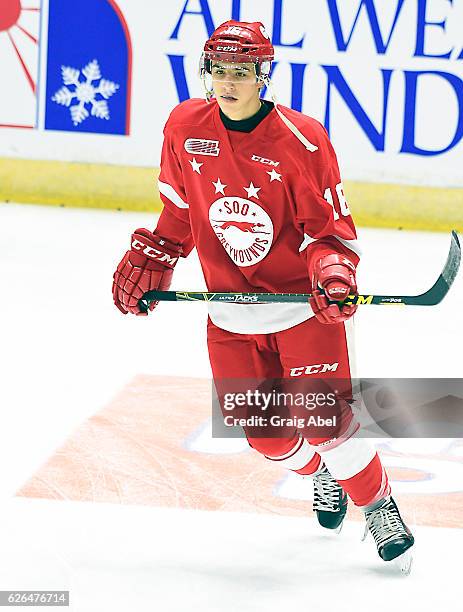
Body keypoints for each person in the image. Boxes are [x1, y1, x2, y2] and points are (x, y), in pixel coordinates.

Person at [112, 20, 414, 568]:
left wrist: (333, 275)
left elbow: (329, 233)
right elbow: (181, 211)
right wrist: (156, 253)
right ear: (207, 74)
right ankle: (321, 475)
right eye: (219, 71)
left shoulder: (301, 139)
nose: (229, 82)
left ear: (262, 75)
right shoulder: (183, 127)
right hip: (229, 315)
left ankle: (378, 505)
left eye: (242, 71)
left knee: (327, 423)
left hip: (302, 312)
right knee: (269, 439)